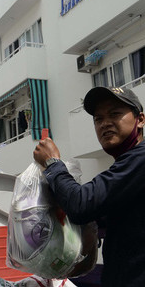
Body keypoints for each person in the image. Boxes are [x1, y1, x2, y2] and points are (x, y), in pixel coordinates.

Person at [33, 86, 145, 287]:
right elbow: (96, 214)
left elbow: (81, 205)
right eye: (98, 119)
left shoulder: (140, 159)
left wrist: (52, 163)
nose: (105, 123)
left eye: (115, 114)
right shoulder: (127, 166)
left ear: (141, 120)